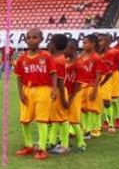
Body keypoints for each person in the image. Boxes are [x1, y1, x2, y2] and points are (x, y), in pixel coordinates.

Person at [14, 28, 57, 161]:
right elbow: (19, 77)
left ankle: (42, 148)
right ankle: (28, 145)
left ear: (41, 39)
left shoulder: (46, 56)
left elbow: (53, 73)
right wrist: (21, 93)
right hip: (27, 90)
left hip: (43, 90)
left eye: (34, 37)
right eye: (29, 37)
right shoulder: (22, 58)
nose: (31, 40)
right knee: (24, 119)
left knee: (42, 119)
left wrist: (54, 89)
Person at [46, 34, 71, 155]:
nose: (48, 45)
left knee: (62, 118)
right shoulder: (57, 59)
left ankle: (65, 145)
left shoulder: (58, 60)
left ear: (54, 45)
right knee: (55, 117)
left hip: (59, 91)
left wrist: (63, 98)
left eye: (50, 42)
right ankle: (53, 142)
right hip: (55, 90)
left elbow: (60, 80)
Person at [63, 39, 88, 152]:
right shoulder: (66, 62)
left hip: (74, 94)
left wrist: (71, 98)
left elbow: (78, 85)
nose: (64, 50)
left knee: (73, 119)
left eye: (66, 48)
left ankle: (81, 143)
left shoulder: (79, 64)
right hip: (67, 93)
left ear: (72, 49)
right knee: (64, 118)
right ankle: (64, 142)